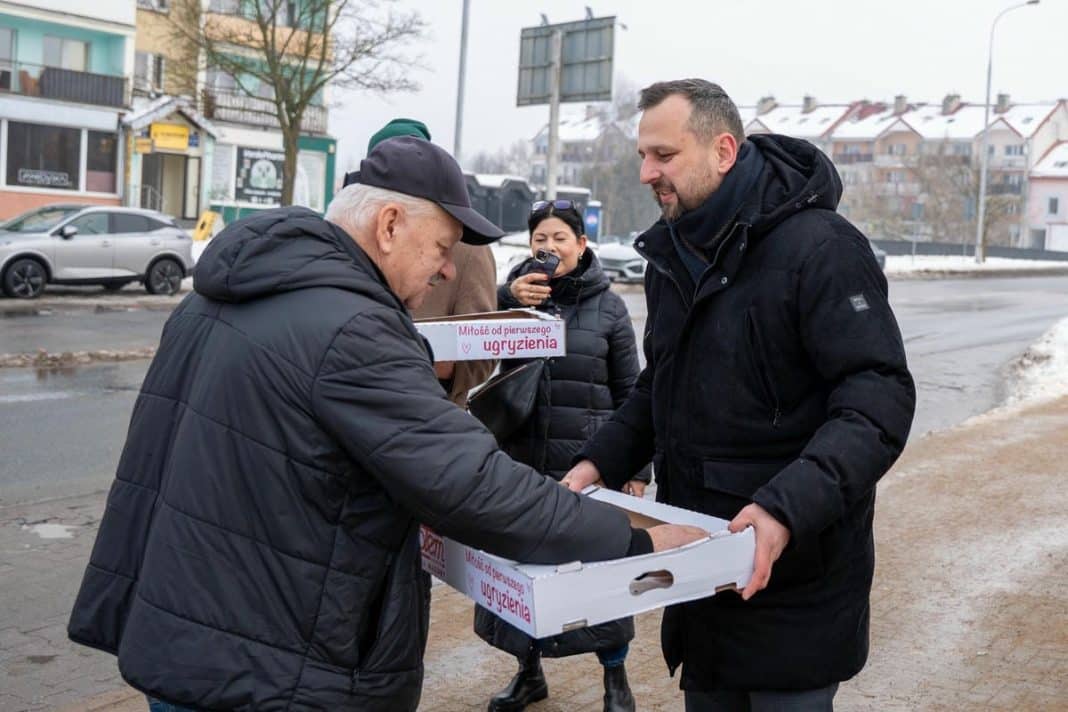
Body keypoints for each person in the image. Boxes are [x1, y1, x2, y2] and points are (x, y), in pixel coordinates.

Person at [66, 136, 708, 712]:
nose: (448, 270)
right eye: (442, 247)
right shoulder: (353, 328)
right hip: (273, 666)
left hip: (188, 638)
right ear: (390, 224)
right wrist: (634, 542)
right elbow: (473, 486)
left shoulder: (216, 296)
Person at [562, 79, 917, 711]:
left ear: (723, 151)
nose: (646, 172)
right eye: (643, 155)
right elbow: (659, 383)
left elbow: (877, 400)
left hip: (795, 578)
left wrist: (784, 510)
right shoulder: (673, 252)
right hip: (703, 570)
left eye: (664, 156)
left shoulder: (824, 249)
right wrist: (600, 460)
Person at [475, 200, 650, 712]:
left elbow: (632, 391)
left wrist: (636, 468)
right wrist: (509, 298)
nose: (548, 248)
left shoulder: (610, 308)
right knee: (522, 573)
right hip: (523, 460)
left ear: (581, 244)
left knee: (601, 574)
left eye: (558, 239)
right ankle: (529, 674)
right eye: (539, 240)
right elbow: (474, 349)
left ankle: (615, 680)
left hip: (588, 464)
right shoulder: (515, 300)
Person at [351, 119, 499, 407]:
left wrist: (421, 362)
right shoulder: (350, 238)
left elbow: (484, 351)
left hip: (430, 411)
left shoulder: (470, 249)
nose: (447, 269)